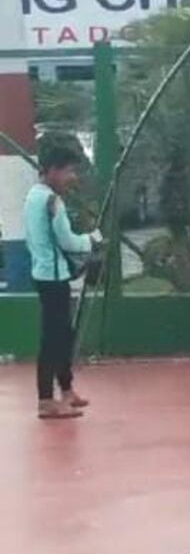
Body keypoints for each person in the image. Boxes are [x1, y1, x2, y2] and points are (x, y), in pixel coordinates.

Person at [23, 144, 100, 419]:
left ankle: (66, 391)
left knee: (62, 335)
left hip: (43, 276)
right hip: (54, 279)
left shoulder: (33, 196)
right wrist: (91, 240)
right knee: (53, 340)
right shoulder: (53, 202)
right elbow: (68, 240)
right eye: (69, 171)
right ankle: (46, 400)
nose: (72, 177)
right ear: (53, 170)